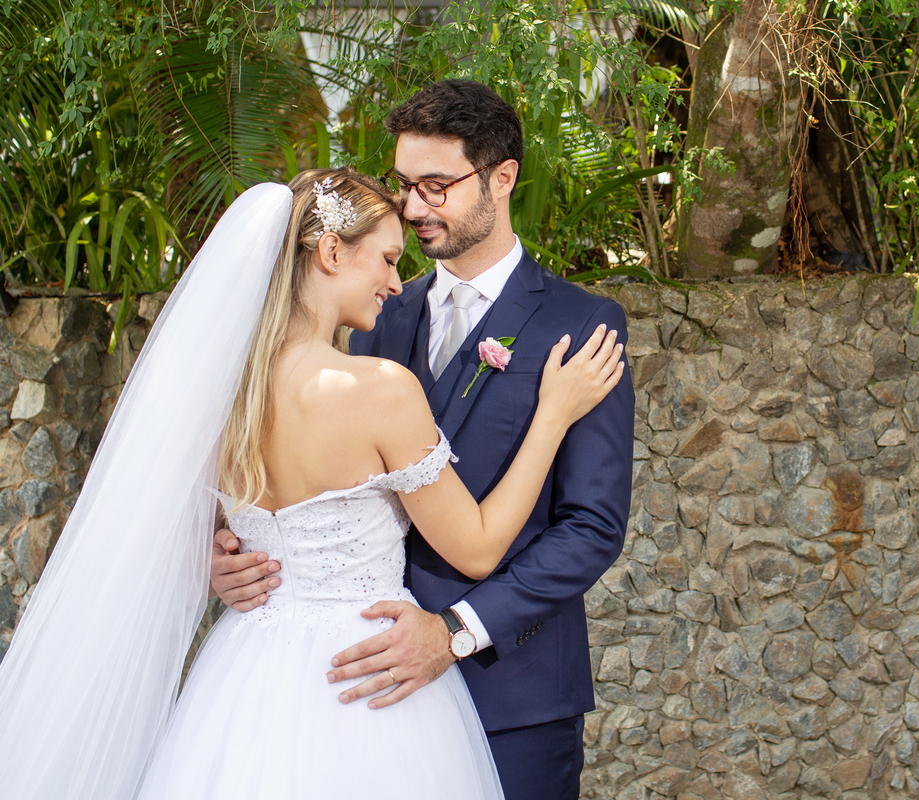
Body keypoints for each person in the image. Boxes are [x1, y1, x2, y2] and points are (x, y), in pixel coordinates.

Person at [0, 169, 624, 799]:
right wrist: (552, 416)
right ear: (330, 251)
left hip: (243, 676)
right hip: (366, 680)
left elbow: (179, 523)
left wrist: (214, 560)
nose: (394, 281)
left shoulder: (219, 392)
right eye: (384, 259)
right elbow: (478, 547)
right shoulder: (376, 389)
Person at [211, 80, 636, 799]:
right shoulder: (377, 312)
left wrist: (456, 630)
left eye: (436, 186)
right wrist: (232, 558)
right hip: (358, 687)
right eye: (406, 185)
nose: (413, 208)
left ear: (502, 178)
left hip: (513, 693)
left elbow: (591, 527)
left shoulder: (580, 322)